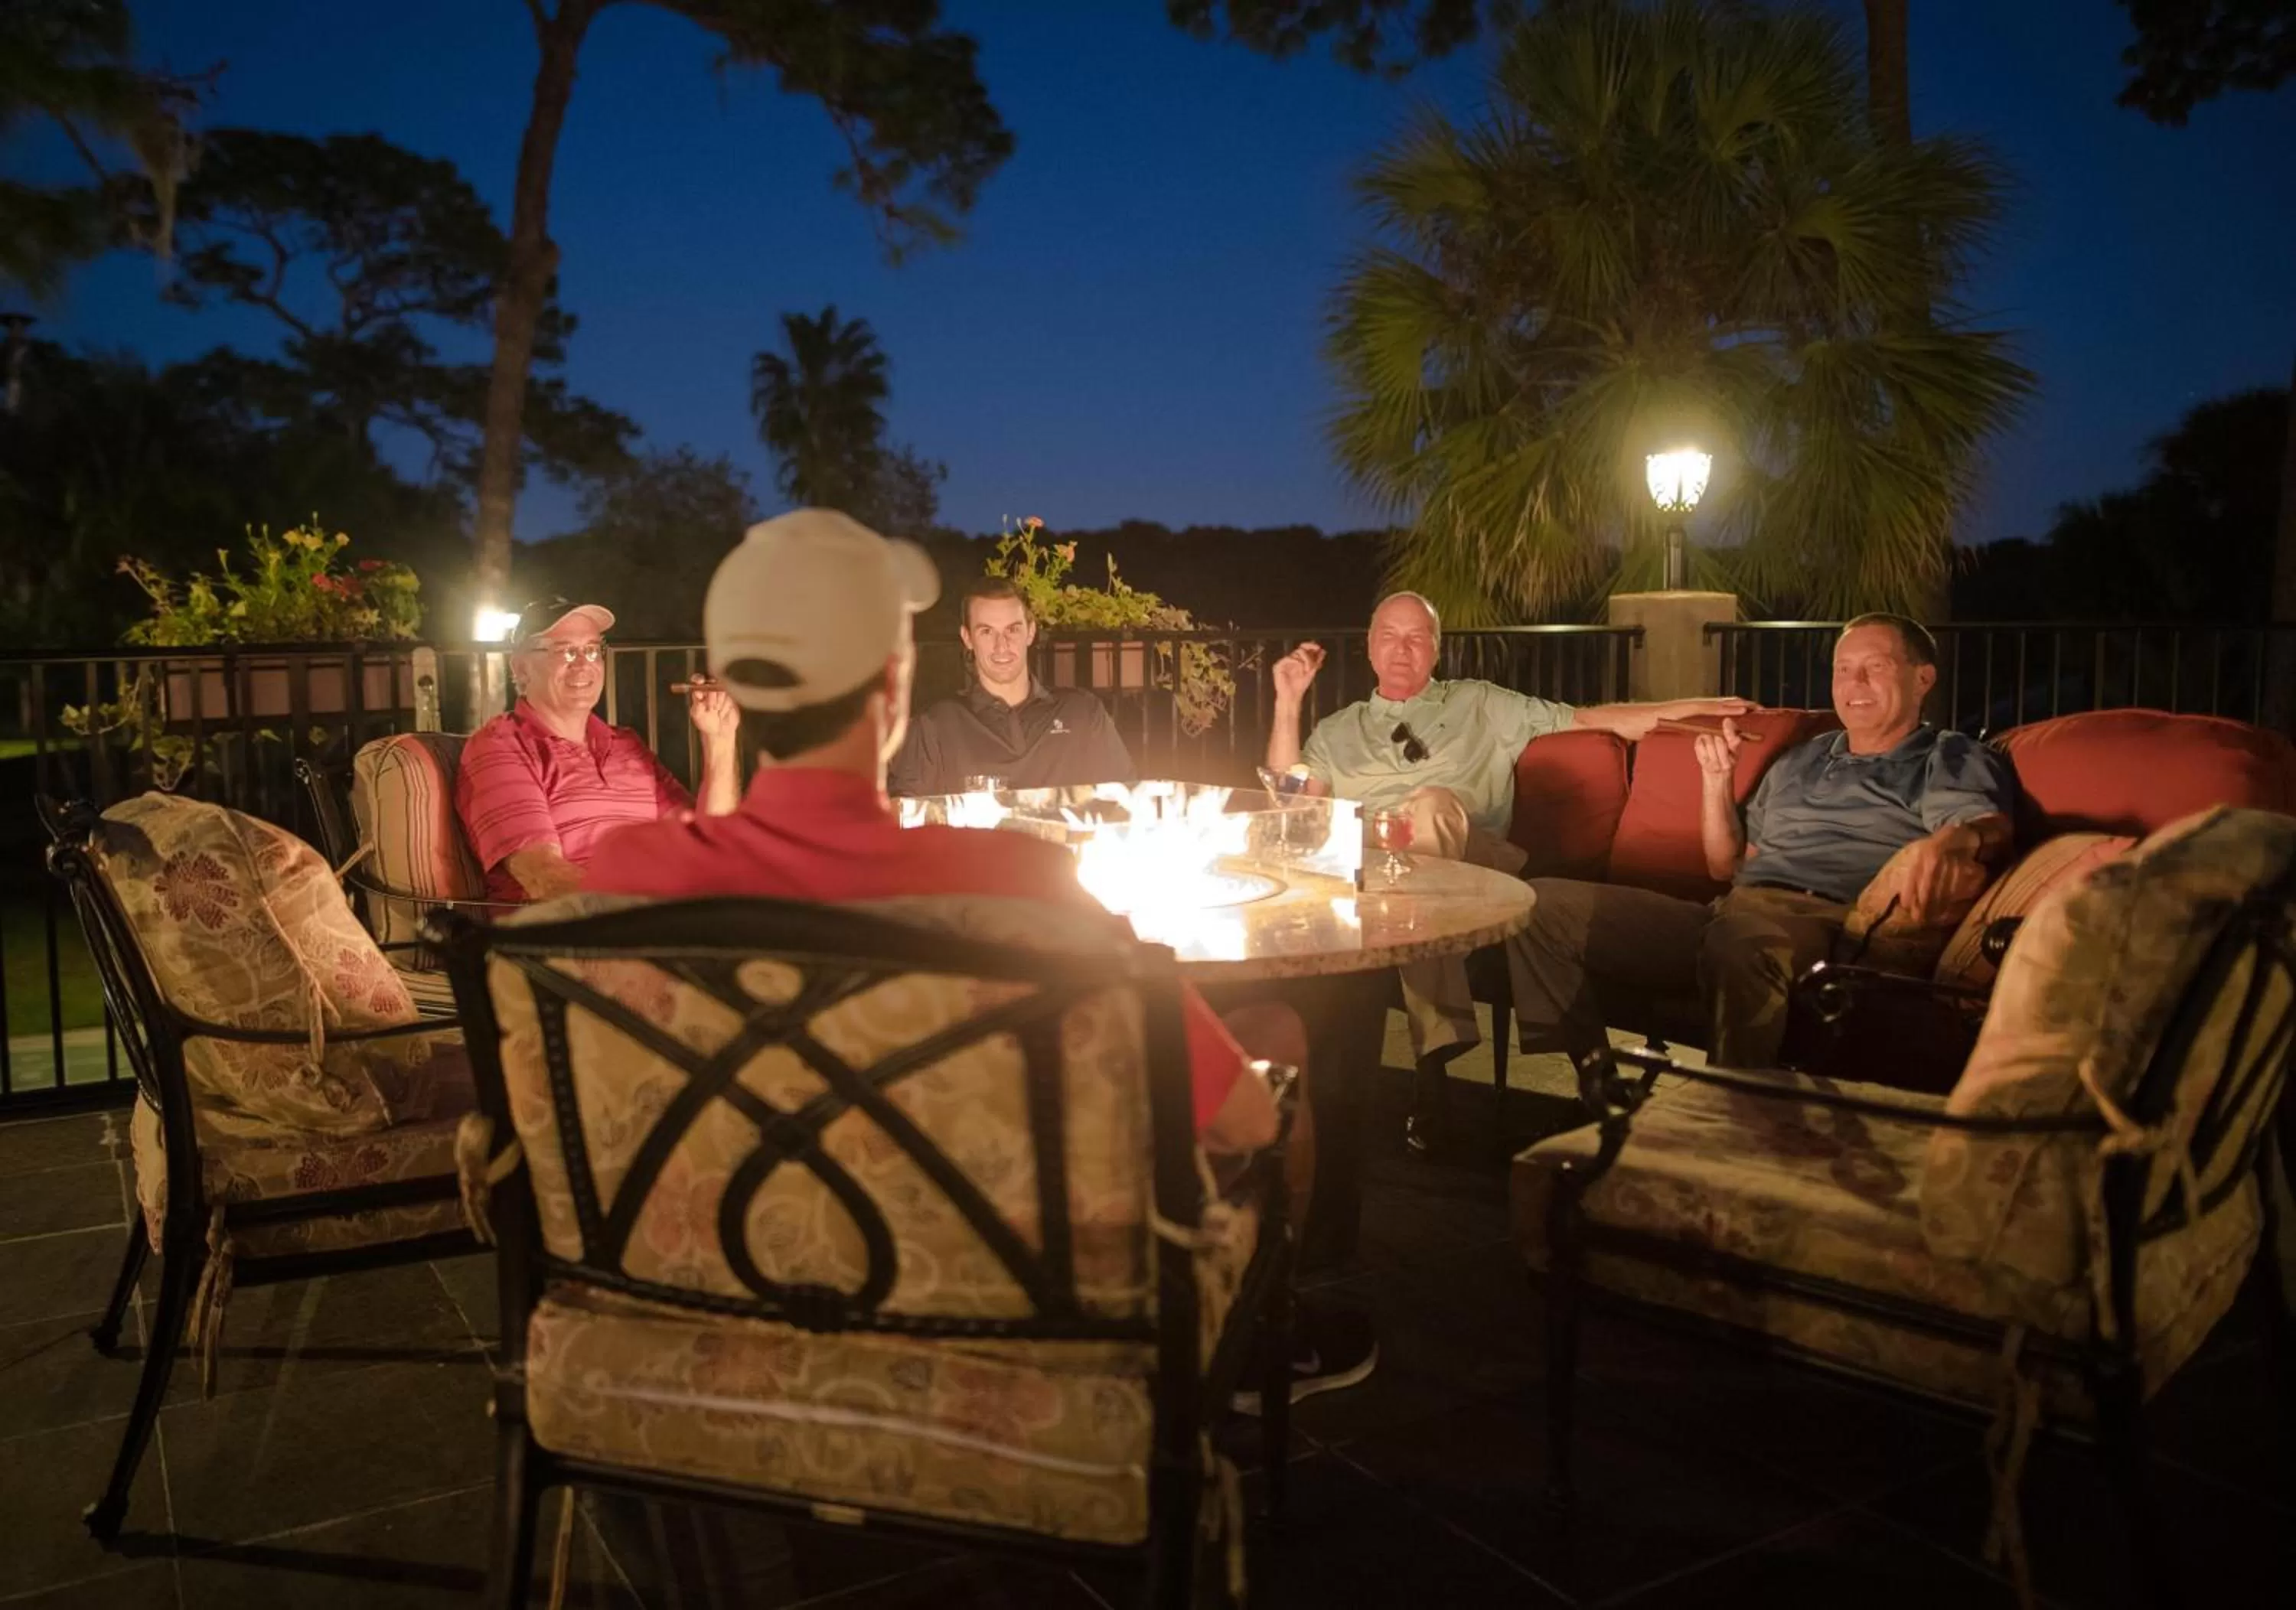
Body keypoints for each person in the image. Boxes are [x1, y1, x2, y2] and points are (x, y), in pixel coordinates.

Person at [590, 510, 1374, 1410]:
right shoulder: (1019, 882)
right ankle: (1253, 1344)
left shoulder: (627, 880)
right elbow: (1238, 1119)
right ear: (895, 684)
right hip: (998, 1286)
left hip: (739, 1275)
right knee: (1273, 1034)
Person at [1265, 590, 1750, 1124]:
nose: (1402, 649)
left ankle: (1432, 1063)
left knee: (1427, 809)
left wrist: (1688, 709)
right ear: (1370, 646)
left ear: (1436, 649)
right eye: (1389, 636)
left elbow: (1593, 719)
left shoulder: (1479, 703)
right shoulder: (1337, 730)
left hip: (1476, 866)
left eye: (1416, 637)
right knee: (1336, 860)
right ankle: (1315, 1072)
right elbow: (1288, 803)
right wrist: (1288, 703)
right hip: (1376, 874)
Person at [1511, 612, 2017, 1070]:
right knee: (1539, 905)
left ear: (1922, 678)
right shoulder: (1802, 758)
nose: (1854, 683)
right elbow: (1723, 865)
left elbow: (1988, 825)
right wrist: (1716, 781)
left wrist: (1951, 842)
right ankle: (1592, 1079)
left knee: (1744, 945)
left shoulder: (1946, 755)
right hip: (1727, 912)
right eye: (1843, 669)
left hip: (1823, 924)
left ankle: (1734, 1119)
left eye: (1876, 667)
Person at [455, 595, 740, 903]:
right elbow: (545, 877)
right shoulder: (500, 748)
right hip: (574, 935)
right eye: (565, 651)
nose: (583, 664)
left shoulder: (627, 746)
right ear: (521, 667)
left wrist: (721, 740)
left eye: (592, 650)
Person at [888, 576, 1136, 795]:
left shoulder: (1083, 714)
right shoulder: (936, 726)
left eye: (1012, 630)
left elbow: (1126, 804)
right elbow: (906, 823)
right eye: (987, 632)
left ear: (1030, 632)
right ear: (968, 638)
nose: (1001, 645)